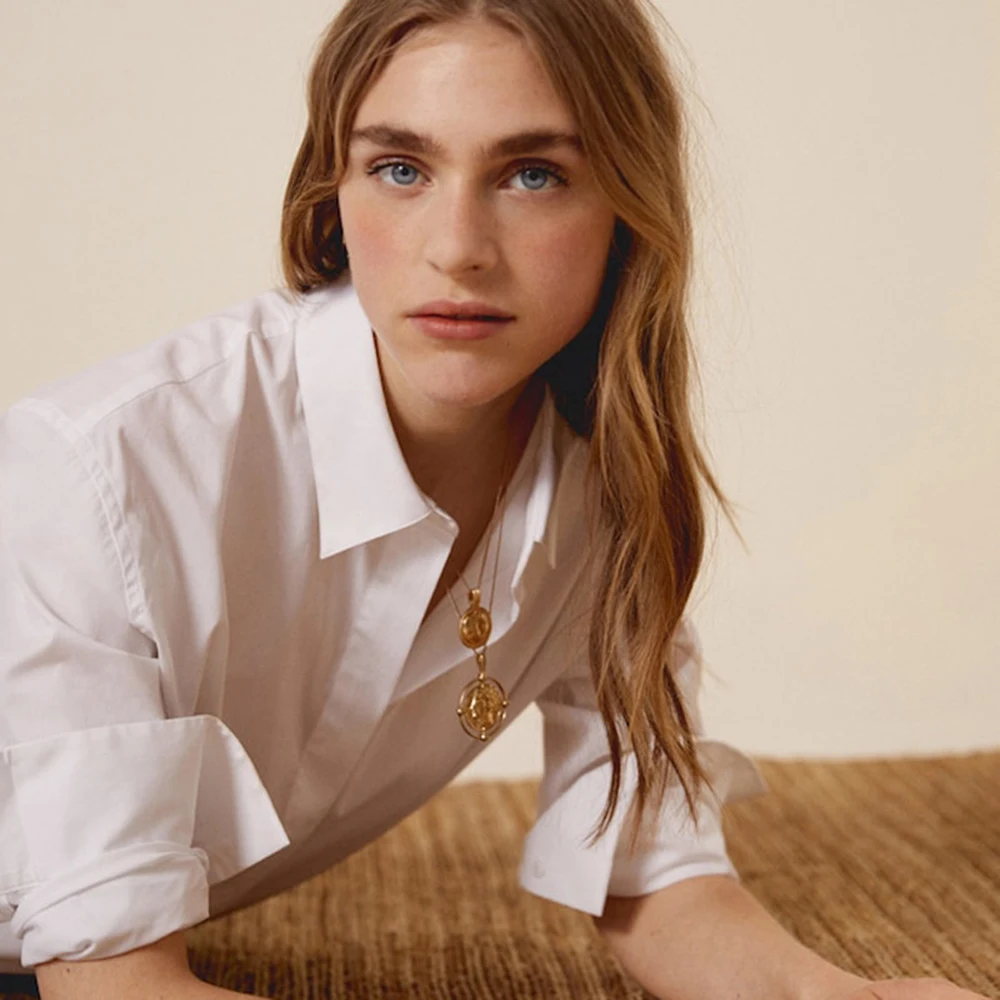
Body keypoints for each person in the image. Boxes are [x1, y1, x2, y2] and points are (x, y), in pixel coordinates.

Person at [0, 1, 987, 998]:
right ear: (332, 194)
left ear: (626, 207)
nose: (458, 247)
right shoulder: (102, 473)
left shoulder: (599, 486)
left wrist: (851, 996)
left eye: (532, 174)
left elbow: (656, 880)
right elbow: (114, 986)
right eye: (401, 168)